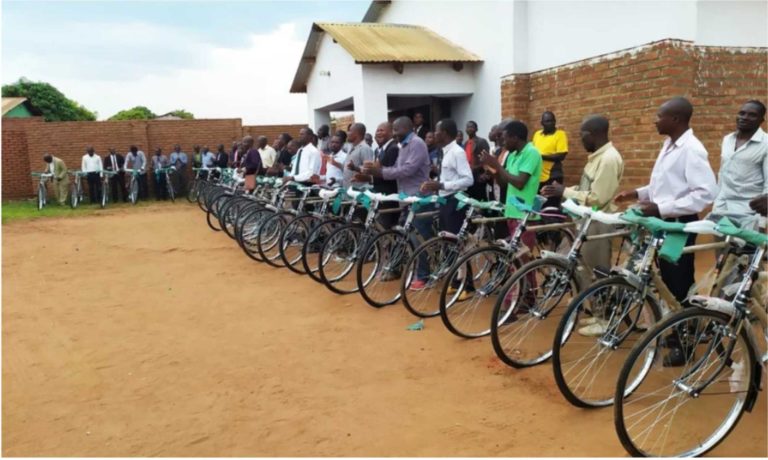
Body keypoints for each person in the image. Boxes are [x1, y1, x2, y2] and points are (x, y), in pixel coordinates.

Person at [614, 97, 718, 366]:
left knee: (679, 283)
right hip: (663, 222)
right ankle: (672, 329)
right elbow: (663, 185)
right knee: (665, 280)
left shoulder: (692, 149)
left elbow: (705, 193)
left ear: (676, 119)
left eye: (659, 116)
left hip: (679, 225)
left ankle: (685, 343)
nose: (655, 120)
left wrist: (661, 208)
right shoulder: (669, 144)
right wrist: (636, 193)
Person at [542, 115, 625, 332]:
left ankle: (605, 320)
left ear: (595, 135)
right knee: (587, 270)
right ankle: (597, 312)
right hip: (588, 220)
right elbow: (587, 190)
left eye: (583, 135)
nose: (580, 140)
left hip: (599, 222)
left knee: (599, 271)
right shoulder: (597, 158)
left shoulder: (608, 159)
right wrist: (566, 192)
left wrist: (565, 191)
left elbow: (598, 197)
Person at [414, 118, 474, 289]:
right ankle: (455, 281)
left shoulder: (457, 152)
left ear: (445, 134)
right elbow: (448, 176)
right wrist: (433, 183)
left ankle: (467, 285)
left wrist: (442, 185)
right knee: (448, 243)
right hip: (445, 201)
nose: (433, 134)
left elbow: (468, 179)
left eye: (437, 131)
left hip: (455, 202)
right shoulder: (444, 151)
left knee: (458, 243)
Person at [480, 121, 542, 256]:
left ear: (515, 138)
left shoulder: (531, 153)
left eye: (505, 138)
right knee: (515, 260)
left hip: (525, 216)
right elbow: (504, 183)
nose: (503, 142)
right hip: (512, 212)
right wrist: (493, 171)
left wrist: (497, 165)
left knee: (524, 261)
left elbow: (520, 182)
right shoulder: (513, 155)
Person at [712, 100, 768, 220]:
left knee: (745, 240)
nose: (745, 117)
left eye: (752, 115)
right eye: (742, 113)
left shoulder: (766, 144)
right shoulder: (728, 139)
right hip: (721, 208)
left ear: (761, 120)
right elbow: (723, 173)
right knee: (719, 239)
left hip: (749, 212)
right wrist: (717, 201)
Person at [354, 122, 400, 228]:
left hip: (388, 195)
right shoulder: (379, 150)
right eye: (377, 130)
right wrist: (366, 176)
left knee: (386, 228)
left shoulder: (393, 149)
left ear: (391, 132)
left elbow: (390, 174)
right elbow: (376, 171)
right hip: (379, 193)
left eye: (381, 130)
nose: (378, 133)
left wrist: (369, 176)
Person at [532, 111, 569, 208]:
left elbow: (562, 155)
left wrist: (541, 156)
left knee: (551, 206)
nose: (551, 123)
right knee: (539, 206)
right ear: (542, 123)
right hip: (538, 176)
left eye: (552, 121)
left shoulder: (560, 134)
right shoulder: (537, 134)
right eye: (547, 121)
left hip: (553, 176)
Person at [464, 120, 492, 201]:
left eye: (471, 127)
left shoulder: (481, 141)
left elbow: (487, 159)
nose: (469, 129)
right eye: (467, 127)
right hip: (469, 175)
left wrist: (483, 172)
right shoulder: (466, 143)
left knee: (480, 199)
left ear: (476, 129)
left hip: (478, 175)